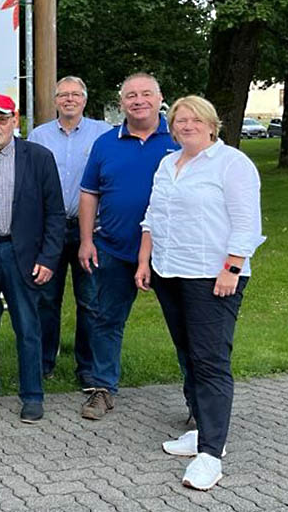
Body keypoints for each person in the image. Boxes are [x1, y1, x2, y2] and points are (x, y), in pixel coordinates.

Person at [136, 96, 265, 491]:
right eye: (179, 120)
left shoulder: (232, 164)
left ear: (212, 125)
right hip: (169, 272)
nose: (186, 125)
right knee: (188, 354)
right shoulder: (167, 163)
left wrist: (230, 268)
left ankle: (211, 453)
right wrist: (145, 262)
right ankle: (202, 427)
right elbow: (153, 217)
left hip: (213, 277)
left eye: (195, 119)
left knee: (210, 361)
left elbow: (247, 223)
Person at [77, 72, 179, 420]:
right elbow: (90, 192)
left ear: (159, 97)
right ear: (122, 102)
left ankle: (198, 399)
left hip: (171, 253)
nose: (138, 100)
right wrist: (87, 240)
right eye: (130, 95)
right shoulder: (106, 143)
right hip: (114, 249)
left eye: (146, 94)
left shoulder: (181, 138)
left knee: (185, 325)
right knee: (106, 319)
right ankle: (102, 388)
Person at [0, 94, 65, 423]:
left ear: (14, 121)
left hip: (22, 254)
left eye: (2, 119)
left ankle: (32, 395)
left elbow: (55, 214)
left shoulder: (38, 157)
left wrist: (48, 258)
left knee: (28, 327)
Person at [28, 77, 111, 384]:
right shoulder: (39, 135)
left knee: (90, 300)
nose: (69, 100)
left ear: (85, 100)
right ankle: (44, 362)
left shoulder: (103, 133)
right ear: (56, 101)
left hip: (91, 229)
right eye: (63, 95)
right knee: (46, 299)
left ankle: (87, 368)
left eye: (75, 94)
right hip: (49, 229)